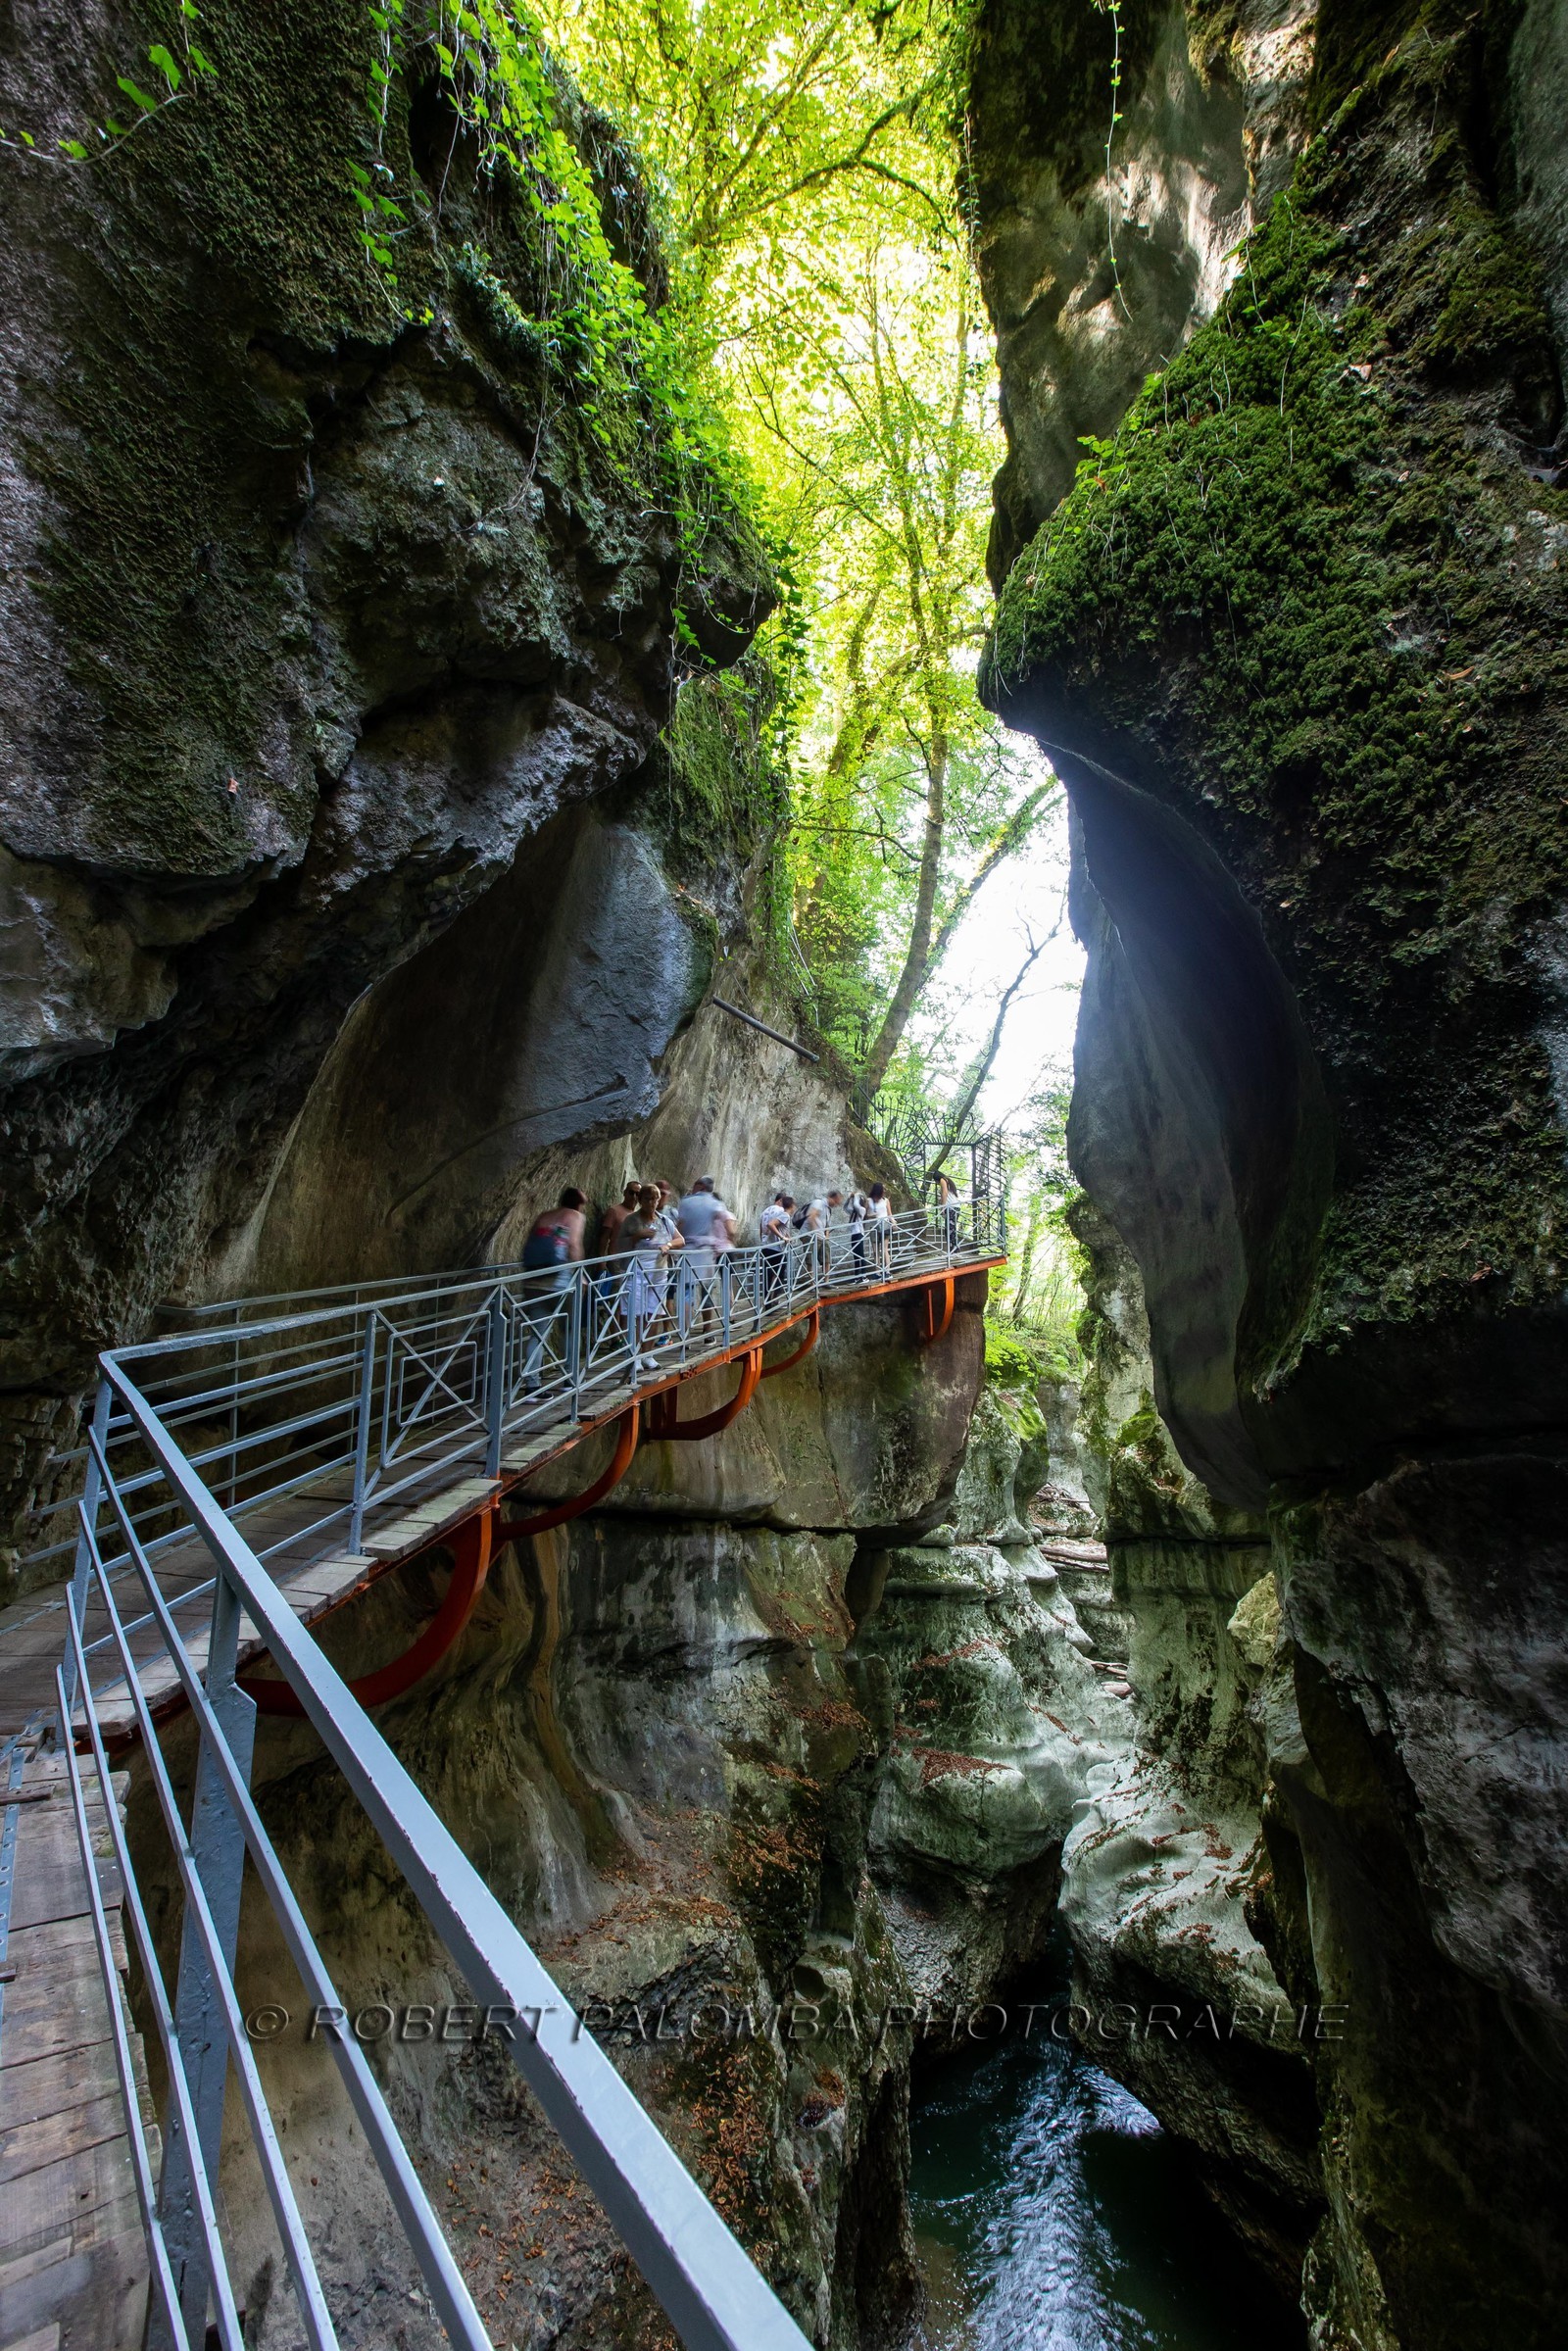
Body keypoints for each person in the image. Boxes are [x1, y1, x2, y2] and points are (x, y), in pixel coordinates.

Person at [519, 1187, 586, 1391]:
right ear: (579, 1204)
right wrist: (581, 1274)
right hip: (560, 1283)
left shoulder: (544, 1216)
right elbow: (573, 1244)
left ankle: (532, 1386)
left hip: (534, 1281)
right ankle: (570, 1379)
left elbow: (529, 1245)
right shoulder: (574, 1216)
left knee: (538, 1335)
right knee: (570, 1330)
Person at [616, 1183, 673, 1372]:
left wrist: (668, 1245)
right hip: (636, 1273)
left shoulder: (664, 1220)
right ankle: (634, 1356)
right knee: (635, 1314)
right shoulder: (631, 1221)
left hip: (658, 1274)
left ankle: (647, 1355)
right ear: (640, 1200)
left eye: (655, 1198)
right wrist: (636, 1236)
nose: (652, 1202)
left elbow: (680, 1239)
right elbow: (619, 1246)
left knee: (653, 1314)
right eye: (648, 1199)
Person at [676, 1175, 735, 1329]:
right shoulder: (716, 1204)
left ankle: (685, 1332)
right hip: (706, 1252)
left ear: (701, 1186)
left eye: (696, 1183)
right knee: (707, 1290)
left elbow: (680, 1226)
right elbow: (729, 1229)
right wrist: (726, 1242)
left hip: (687, 1250)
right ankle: (707, 1330)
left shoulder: (686, 1202)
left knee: (687, 1291)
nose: (693, 1186)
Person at [760, 1193, 793, 1301]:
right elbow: (775, 1225)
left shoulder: (765, 1211)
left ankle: (767, 1303)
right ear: (780, 1201)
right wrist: (784, 1237)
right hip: (777, 1248)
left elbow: (761, 1230)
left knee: (767, 1277)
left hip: (765, 1246)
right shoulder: (781, 1211)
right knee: (779, 1274)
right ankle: (775, 1300)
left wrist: (763, 1242)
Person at [867, 1181, 895, 1274]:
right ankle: (877, 1272)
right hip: (873, 1226)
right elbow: (865, 1215)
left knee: (884, 1250)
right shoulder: (869, 1201)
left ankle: (887, 1271)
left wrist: (894, 1222)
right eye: (883, 1189)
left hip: (885, 1225)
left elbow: (890, 1214)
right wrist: (872, 1215)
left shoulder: (885, 1200)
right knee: (876, 1251)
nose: (884, 1191)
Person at [934, 1169, 961, 1251]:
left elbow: (945, 1193)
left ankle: (955, 1251)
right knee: (949, 1230)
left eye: (935, 1181)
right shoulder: (948, 1181)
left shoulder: (943, 1180)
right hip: (955, 1207)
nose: (936, 1183)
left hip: (951, 1207)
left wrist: (943, 1207)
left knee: (950, 1231)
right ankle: (954, 1250)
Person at [845, 1188, 868, 1278]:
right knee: (856, 1256)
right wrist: (849, 1198)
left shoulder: (862, 1210)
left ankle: (864, 1275)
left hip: (859, 1234)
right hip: (854, 1234)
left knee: (861, 1254)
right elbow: (845, 1207)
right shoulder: (853, 1212)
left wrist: (856, 1195)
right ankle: (857, 1276)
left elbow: (855, 1204)